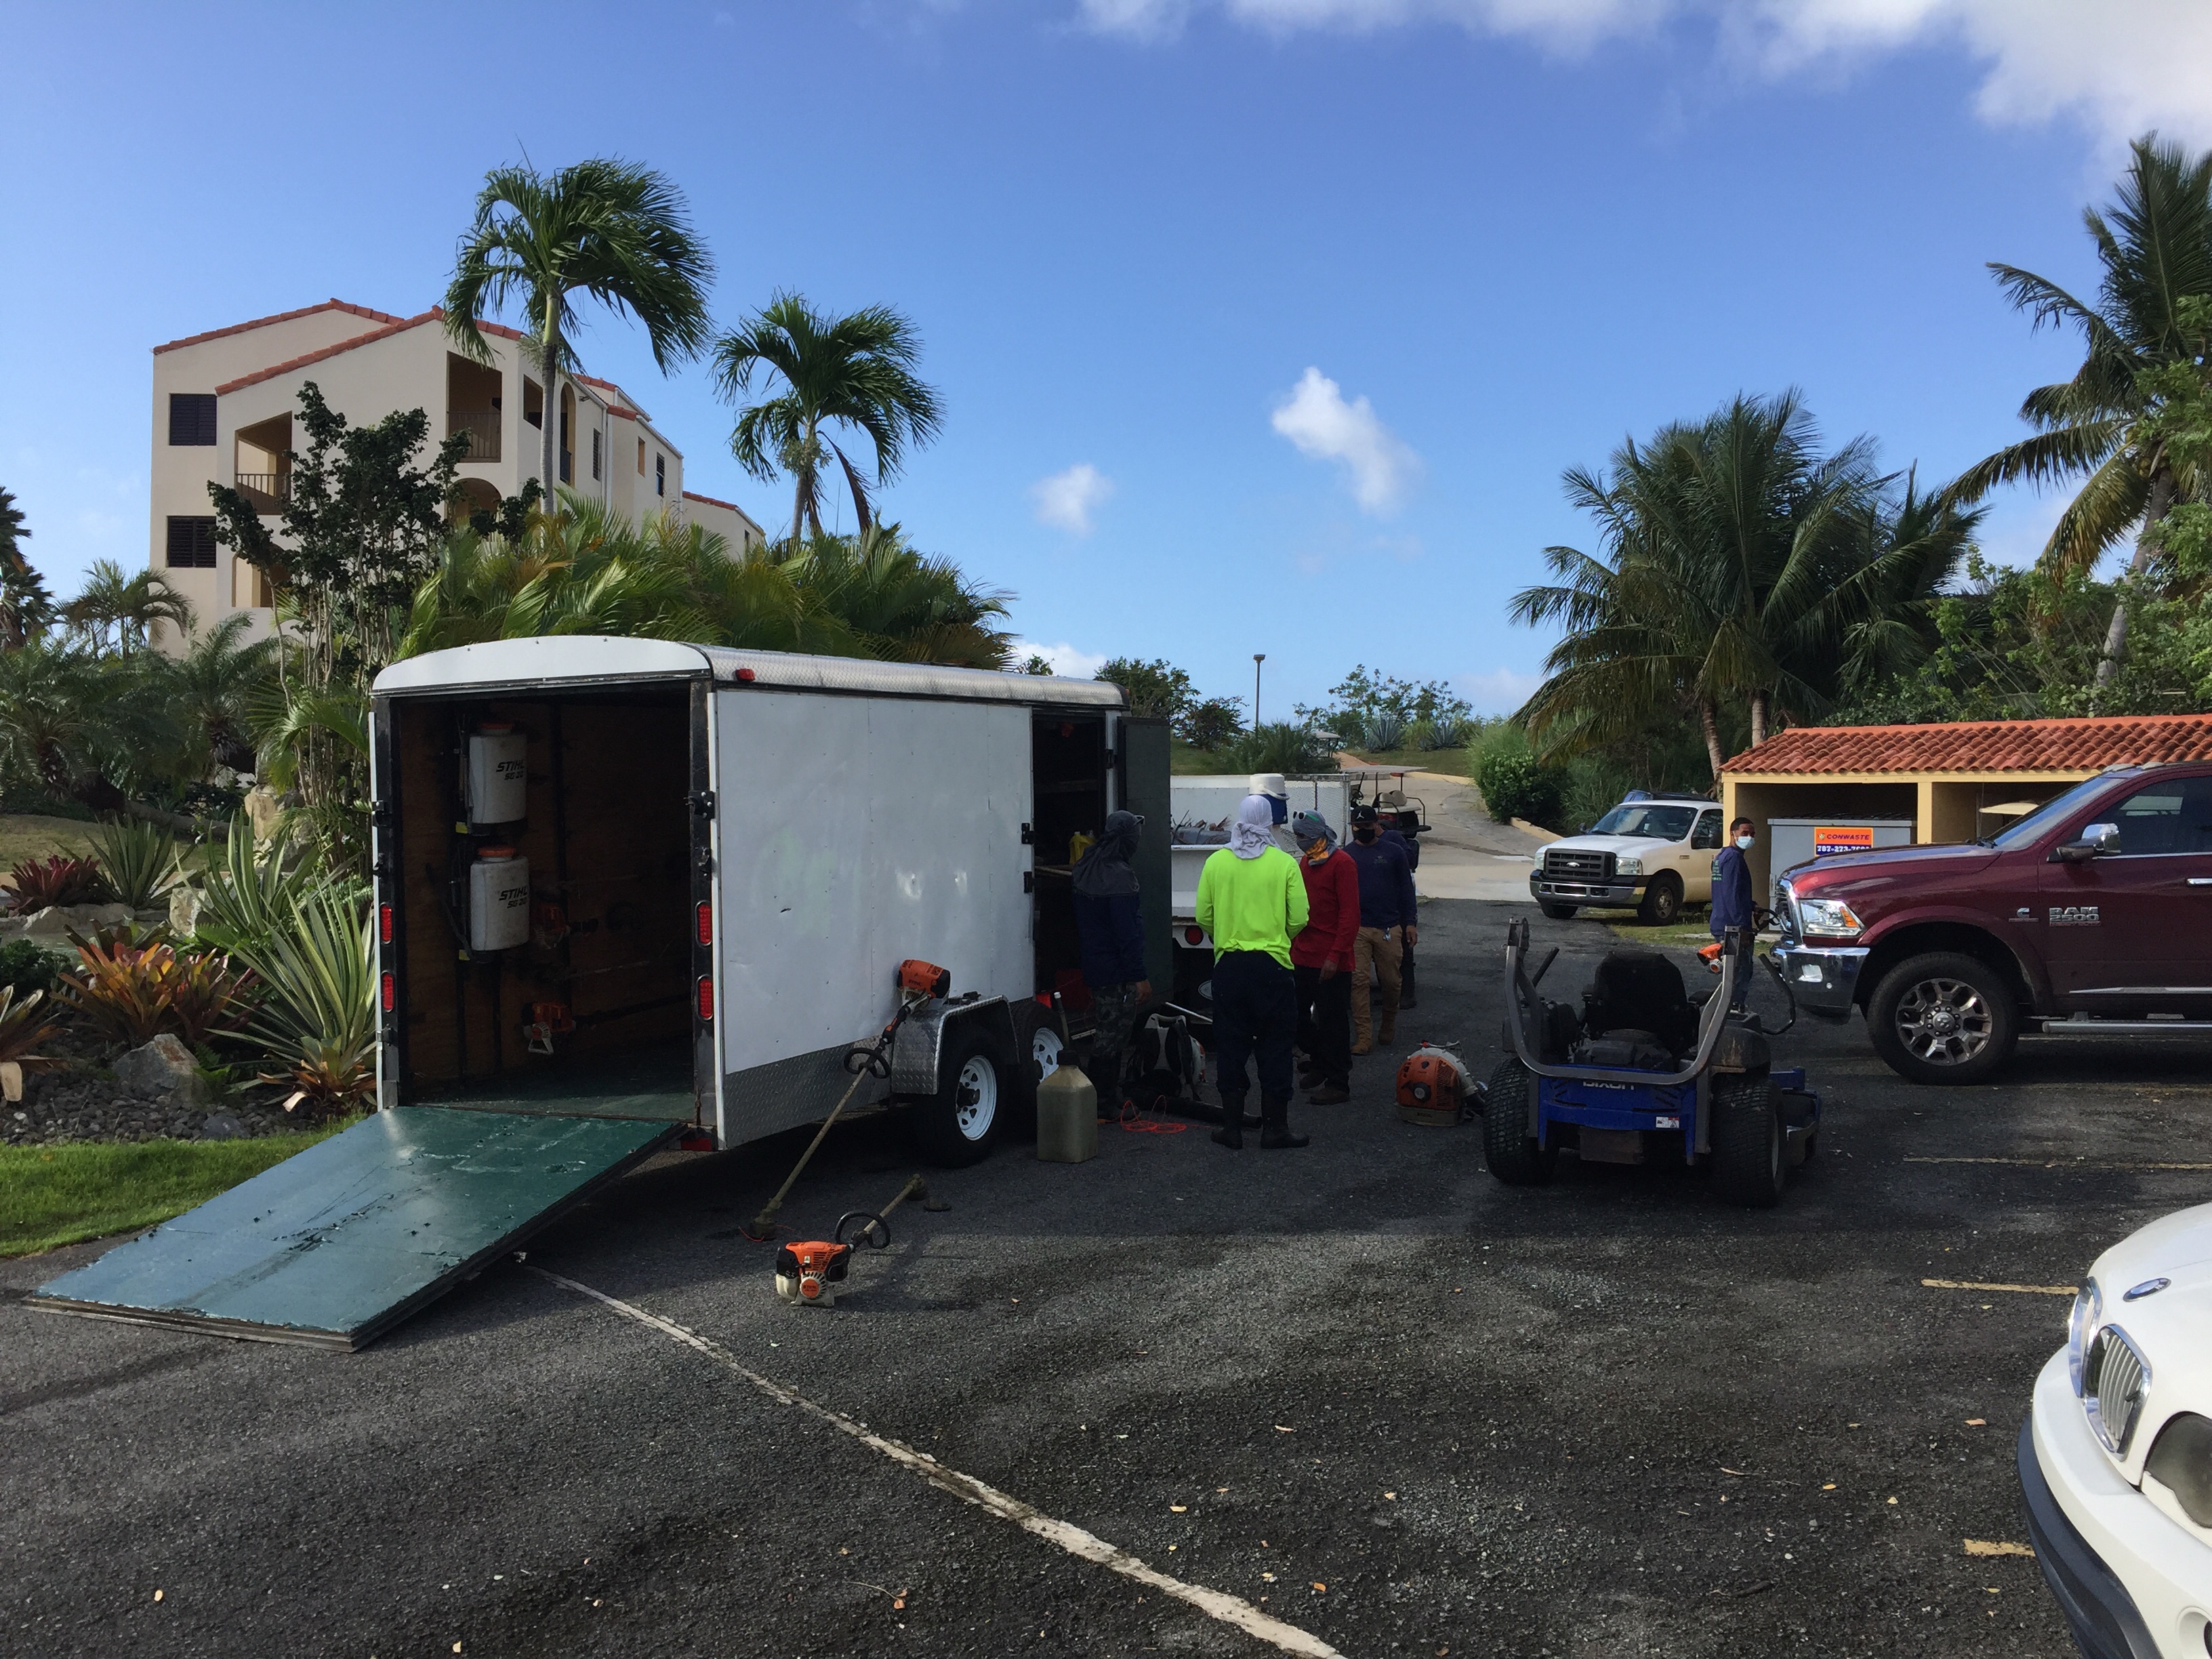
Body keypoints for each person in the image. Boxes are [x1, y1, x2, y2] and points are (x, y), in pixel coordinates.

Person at [1194, 794, 1311, 1149]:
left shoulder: (1217, 862)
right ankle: (1275, 1129)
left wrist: (1225, 935)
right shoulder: (1285, 863)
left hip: (1230, 968)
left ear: (1240, 820)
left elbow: (1203, 916)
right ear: (1269, 823)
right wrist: (1278, 937)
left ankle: (1231, 1129)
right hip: (1273, 967)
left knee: (1231, 1046)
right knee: (1276, 1047)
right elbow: (1300, 917)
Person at [1071, 809, 1151, 1111]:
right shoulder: (1120, 876)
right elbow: (1126, 933)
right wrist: (1138, 975)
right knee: (1113, 1033)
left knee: (1106, 1028)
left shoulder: (1087, 865)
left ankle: (1105, 1095)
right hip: (1116, 970)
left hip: (1095, 963)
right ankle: (1103, 1099)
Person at [1289, 809, 1358, 1105]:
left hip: (1332, 960)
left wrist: (1335, 955)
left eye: (1303, 836)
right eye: (1297, 836)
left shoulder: (1343, 864)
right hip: (1303, 954)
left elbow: (1350, 915)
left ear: (1318, 836)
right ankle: (1320, 1061)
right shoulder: (1306, 862)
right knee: (1295, 1016)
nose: (1300, 842)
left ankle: (1338, 1082)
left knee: (1333, 1023)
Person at [1345, 804, 1416, 1054]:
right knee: (1358, 982)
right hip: (1359, 929)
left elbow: (1406, 889)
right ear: (1352, 827)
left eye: (1367, 825)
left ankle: (1388, 1023)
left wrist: (1410, 922)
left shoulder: (1393, 852)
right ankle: (1364, 1036)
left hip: (1389, 926)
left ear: (1376, 825)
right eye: (1358, 826)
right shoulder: (1347, 855)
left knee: (1391, 982)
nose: (1362, 830)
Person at [1710, 815, 1758, 1013]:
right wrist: (1742, 927)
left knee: (1730, 971)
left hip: (1721, 922)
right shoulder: (1734, 859)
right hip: (1732, 927)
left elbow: (1728, 890)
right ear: (1733, 834)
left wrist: (1752, 906)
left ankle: (1727, 1009)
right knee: (1740, 972)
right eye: (1745, 833)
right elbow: (1731, 895)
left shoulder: (1722, 857)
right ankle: (1733, 1010)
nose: (1749, 837)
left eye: (1752, 834)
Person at [1380, 810, 1422, 1008]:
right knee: (1386, 954)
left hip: (1398, 907)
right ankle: (1391, 994)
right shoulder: (1363, 846)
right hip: (1384, 908)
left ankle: (1407, 995)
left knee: (1403, 952)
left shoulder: (1392, 840)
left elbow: (1409, 863)